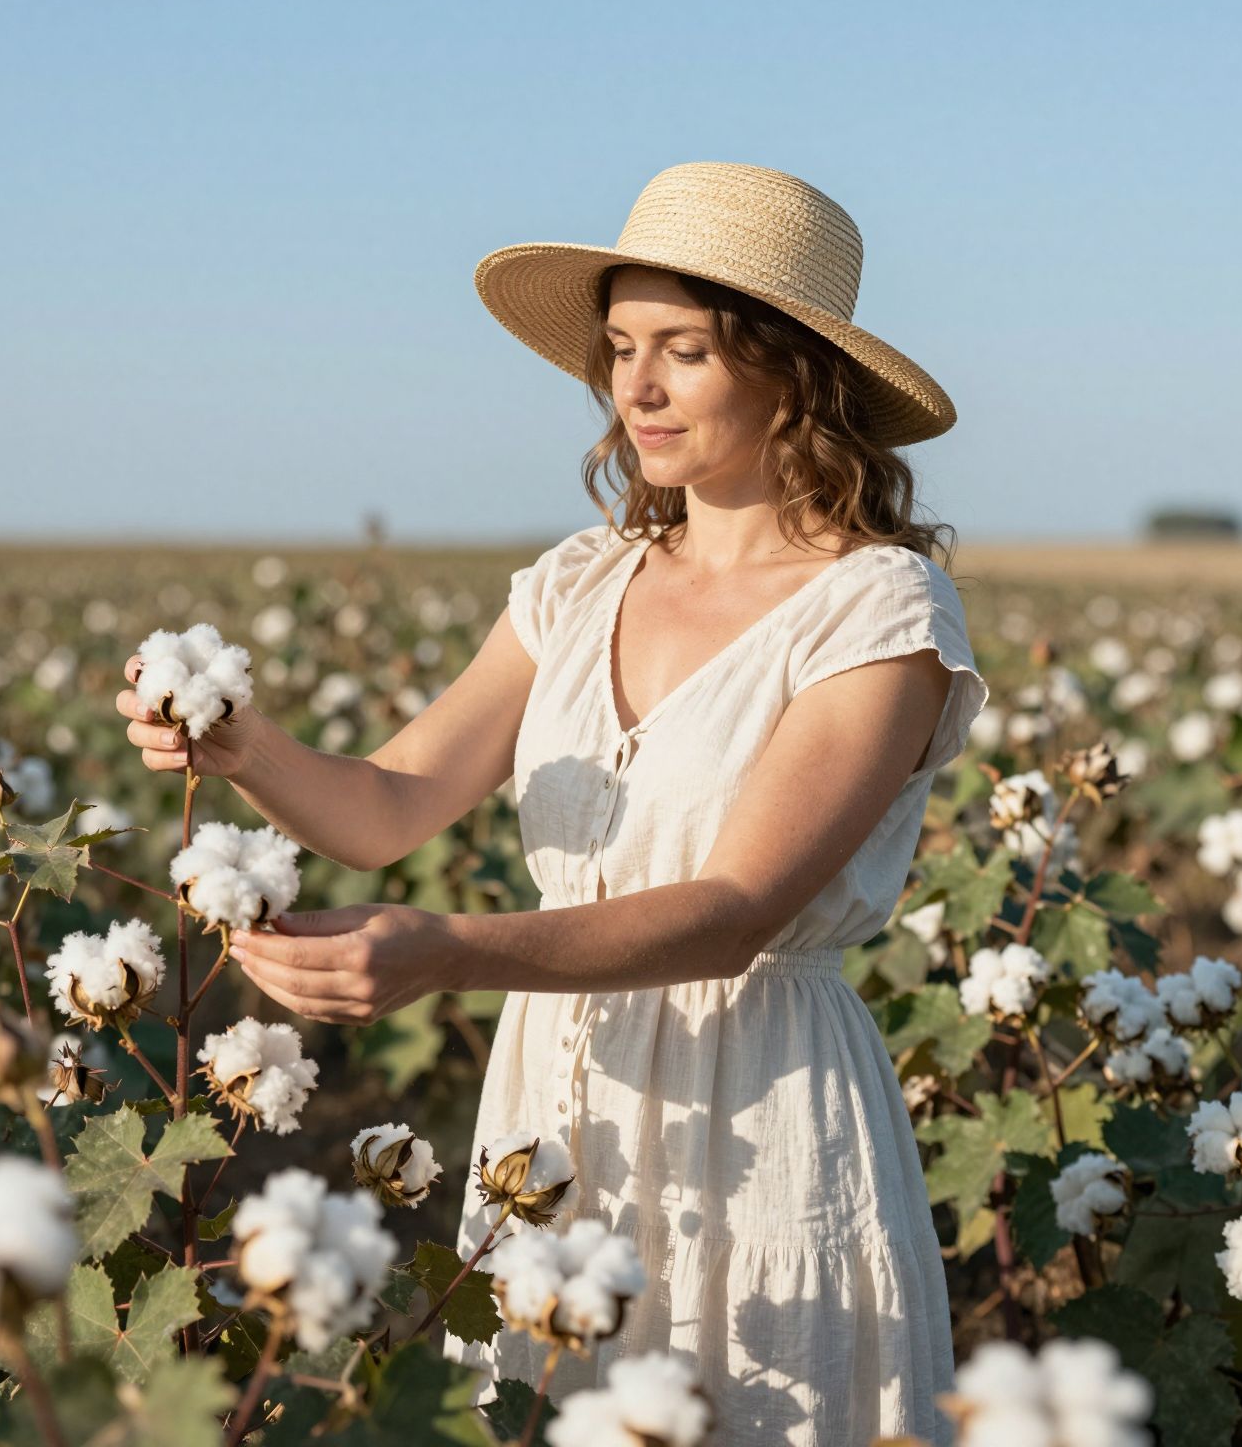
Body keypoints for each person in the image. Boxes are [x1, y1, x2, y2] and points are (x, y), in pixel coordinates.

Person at [117, 161, 987, 1445]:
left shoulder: (879, 612)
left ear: (794, 374)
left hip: (760, 1099)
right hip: (555, 1110)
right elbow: (386, 806)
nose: (636, 388)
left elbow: (735, 911)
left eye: (684, 350)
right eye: (621, 348)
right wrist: (241, 746)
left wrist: (449, 952)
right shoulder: (579, 584)